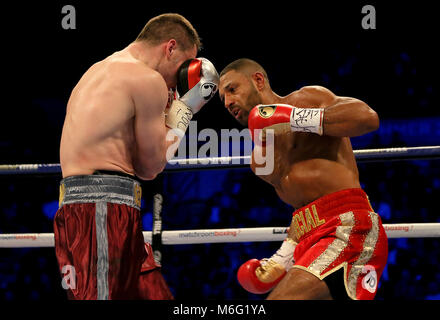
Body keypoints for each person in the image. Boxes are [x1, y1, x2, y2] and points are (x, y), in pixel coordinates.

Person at [55, 13, 219, 300]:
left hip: (92, 207)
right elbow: (152, 166)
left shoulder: (97, 70)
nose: (182, 79)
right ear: (169, 48)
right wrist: (184, 111)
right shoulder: (147, 80)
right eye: (184, 67)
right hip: (102, 210)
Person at [218, 58, 388, 300]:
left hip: (349, 229)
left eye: (232, 89)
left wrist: (295, 119)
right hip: (310, 243)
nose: (227, 102)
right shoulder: (260, 161)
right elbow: (305, 214)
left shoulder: (305, 99)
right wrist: (282, 259)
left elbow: (367, 118)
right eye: (222, 99)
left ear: (258, 80)